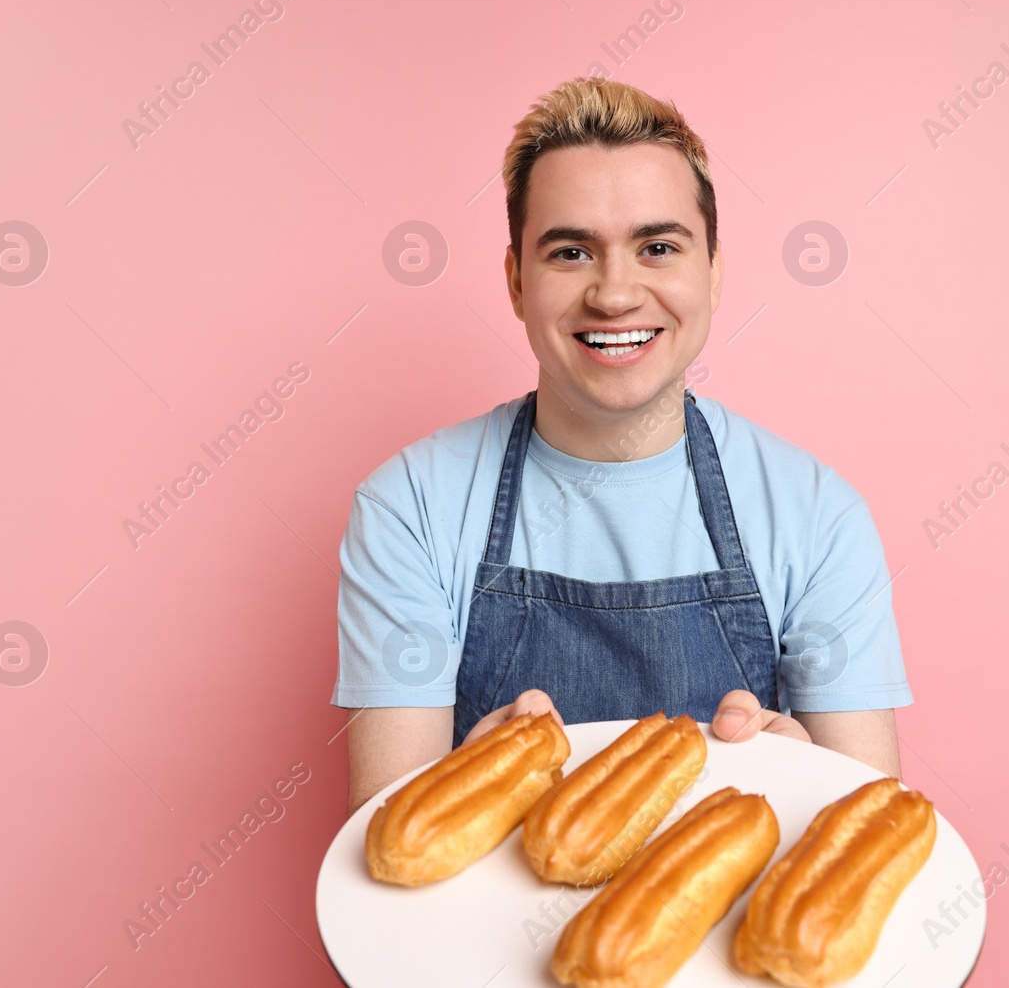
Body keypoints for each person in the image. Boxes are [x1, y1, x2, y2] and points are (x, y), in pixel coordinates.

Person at [335, 78, 912, 814]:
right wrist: (460, 792)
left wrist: (802, 791)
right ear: (516, 281)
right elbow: (386, 860)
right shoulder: (409, 506)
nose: (614, 293)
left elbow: (869, 850)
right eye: (571, 252)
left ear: (713, 270)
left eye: (658, 246)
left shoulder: (816, 514)